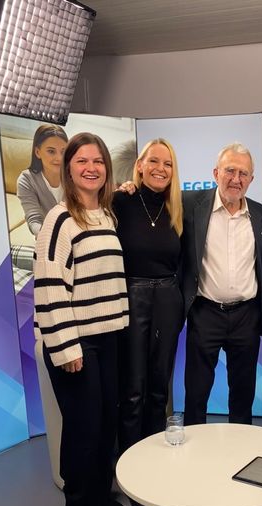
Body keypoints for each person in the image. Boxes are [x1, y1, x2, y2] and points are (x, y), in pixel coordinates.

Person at [34, 132, 129, 506]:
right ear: (68, 169)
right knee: (83, 426)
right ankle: (79, 505)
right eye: (82, 161)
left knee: (106, 422)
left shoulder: (105, 215)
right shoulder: (59, 220)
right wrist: (66, 346)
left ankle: (99, 494)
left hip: (108, 338)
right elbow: (49, 286)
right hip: (76, 342)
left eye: (98, 161)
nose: (92, 168)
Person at [182, 143, 262, 426]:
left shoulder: (261, 214)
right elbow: (156, 198)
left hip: (246, 316)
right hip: (205, 313)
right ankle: (194, 445)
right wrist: (130, 187)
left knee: (243, 393)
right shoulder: (190, 205)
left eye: (243, 173)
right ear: (216, 173)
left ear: (251, 179)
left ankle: (240, 445)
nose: (236, 179)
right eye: (230, 170)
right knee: (196, 391)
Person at [113, 139, 183, 461]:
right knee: (132, 389)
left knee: (159, 388)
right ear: (139, 165)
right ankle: (130, 461)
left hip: (168, 299)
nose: (160, 169)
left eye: (168, 164)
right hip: (132, 297)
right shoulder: (120, 201)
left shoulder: (177, 208)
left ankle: (154, 462)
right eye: (153, 161)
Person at [17, 124, 68, 238]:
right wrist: (47, 237)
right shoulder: (26, 180)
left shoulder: (74, 176)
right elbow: (34, 220)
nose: (59, 158)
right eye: (51, 151)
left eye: (63, 151)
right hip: (46, 236)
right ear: (37, 152)